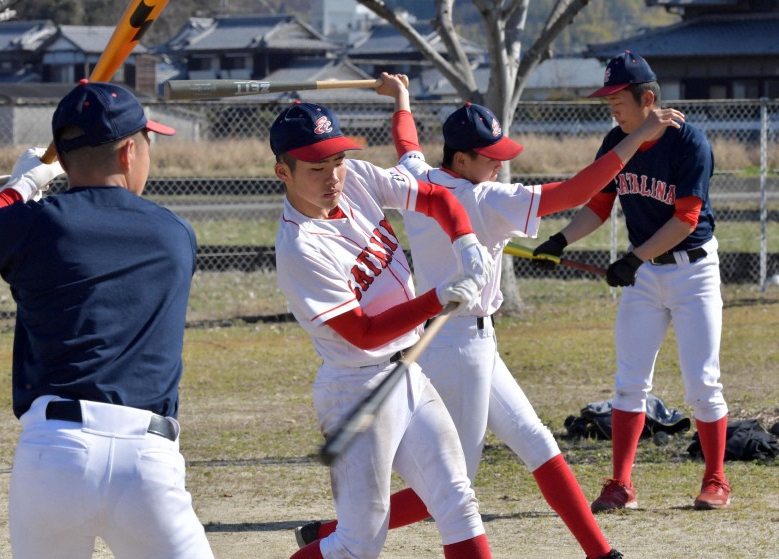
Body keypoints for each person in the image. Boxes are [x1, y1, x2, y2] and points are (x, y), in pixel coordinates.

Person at [293, 73, 685, 559]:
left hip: (468, 341)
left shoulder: (421, 177)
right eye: (490, 157)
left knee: (537, 443)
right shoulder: (485, 199)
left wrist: (402, 100)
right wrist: (634, 140)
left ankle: (601, 554)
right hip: (456, 349)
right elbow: (577, 190)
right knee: (456, 487)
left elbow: (408, 144)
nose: (500, 165)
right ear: (461, 159)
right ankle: (336, 531)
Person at [0, 80, 215, 559]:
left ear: (61, 161)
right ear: (129, 152)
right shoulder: (176, 233)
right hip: (148, 457)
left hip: (54, 450)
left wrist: (16, 190)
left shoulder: (31, 223)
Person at [271, 100, 496, 559]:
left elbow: (436, 197)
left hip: (407, 369)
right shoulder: (299, 247)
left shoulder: (352, 177)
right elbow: (363, 332)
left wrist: (466, 242)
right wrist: (438, 297)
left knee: (457, 501)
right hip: (355, 387)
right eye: (316, 167)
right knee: (359, 543)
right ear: (283, 173)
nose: (333, 176)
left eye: (336, 160)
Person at [532, 51, 730, 512]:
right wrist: (560, 239)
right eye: (609, 100)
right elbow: (599, 206)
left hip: (692, 270)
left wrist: (633, 258)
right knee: (629, 383)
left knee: (702, 383)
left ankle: (716, 479)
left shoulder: (688, 143)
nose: (612, 107)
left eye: (618, 99)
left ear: (649, 99)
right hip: (645, 275)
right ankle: (620, 484)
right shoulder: (615, 142)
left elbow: (686, 219)